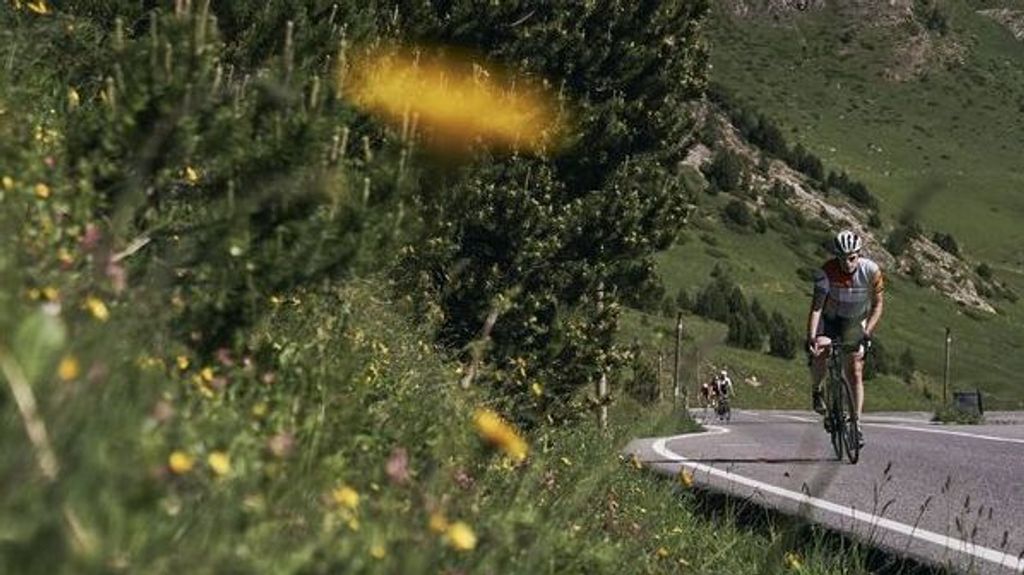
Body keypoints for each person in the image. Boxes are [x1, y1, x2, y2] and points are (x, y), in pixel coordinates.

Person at [806, 230, 885, 448]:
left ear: (858, 255)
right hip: (830, 320)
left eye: (851, 258)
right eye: (842, 258)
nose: (847, 263)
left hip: (854, 322)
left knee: (855, 370)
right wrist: (812, 337)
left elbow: (878, 305)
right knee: (821, 352)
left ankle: (856, 425)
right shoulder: (825, 273)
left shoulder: (872, 271)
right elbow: (816, 308)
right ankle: (817, 391)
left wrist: (867, 332)